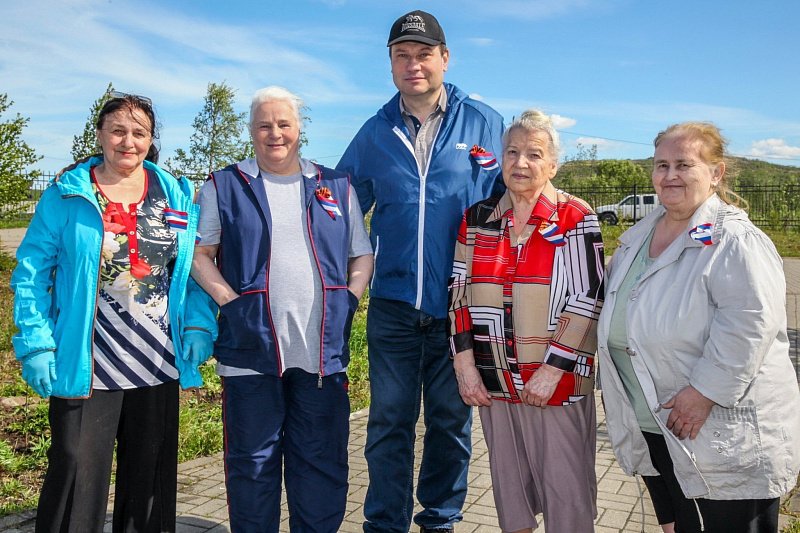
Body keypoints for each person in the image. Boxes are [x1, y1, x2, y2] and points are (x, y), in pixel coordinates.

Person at [11, 92, 213, 533]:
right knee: (75, 475)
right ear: (100, 134)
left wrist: (199, 323)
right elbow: (31, 274)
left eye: (139, 132)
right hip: (88, 364)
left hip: (157, 362)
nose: (128, 141)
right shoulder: (68, 195)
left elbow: (192, 269)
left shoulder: (175, 194)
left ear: (151, 139)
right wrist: (36, 344)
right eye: (118, 130)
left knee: (149, 483)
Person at [336, 9, 505, 533]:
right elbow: (338, 211)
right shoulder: (374, 132)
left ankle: (440, 520)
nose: (414, 64)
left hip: (460, 307)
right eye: (402, 55)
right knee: (388, 422)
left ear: (444, 58)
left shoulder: (485, 123)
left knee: (451, 422)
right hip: (393, 307)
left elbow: (518, 196)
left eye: (424, 54)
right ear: (390, 63)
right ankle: (385, 523)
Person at [597, 122, 800, 533]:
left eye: (684, 164)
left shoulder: (735, 239)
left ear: (716, 173)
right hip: (657, 427)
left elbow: (751, 324)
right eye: (662, 165)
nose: (670, 175)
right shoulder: (638, 237)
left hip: (713, 433)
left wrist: (705, 392)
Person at [189, 85, 373, 533]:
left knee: (321, 463)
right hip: (250, 351)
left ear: (299, 129)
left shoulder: (336, 185)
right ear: (251, 131)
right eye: (264, 125)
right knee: (253, 467)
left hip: (320, 355)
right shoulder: (224, 185)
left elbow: (362, 254)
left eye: (284, 124)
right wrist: (231, 303)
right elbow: (199, 253)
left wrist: (349, 299)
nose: (275, 133)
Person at [448, 110, 604, 533]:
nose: (521, 163)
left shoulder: (575, 216)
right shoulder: (476, 219)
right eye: (512, 152)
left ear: (552, 164)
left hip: (556, 383)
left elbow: (588, 299)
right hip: (495, 380)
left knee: (566, 495)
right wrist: (465, 368)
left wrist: (551, 371)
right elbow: (458, 295)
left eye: (534, 154)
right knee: (511, 495)